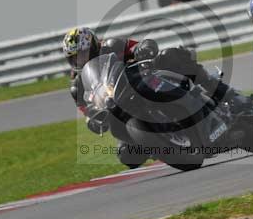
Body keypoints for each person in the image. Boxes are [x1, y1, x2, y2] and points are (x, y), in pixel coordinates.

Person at [62, 27, 234, 167]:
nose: (80, 60)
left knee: (170, 56)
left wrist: (143, 49)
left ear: (93, 46)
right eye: (74, 58)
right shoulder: (77, 86)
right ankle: (161, 145)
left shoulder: (112, 45)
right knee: (126, 156)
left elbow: (137, 46)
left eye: (83, 54)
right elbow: (88, 110)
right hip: (116, 109)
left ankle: (213, 86)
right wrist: (93, 120)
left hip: (139, 82)